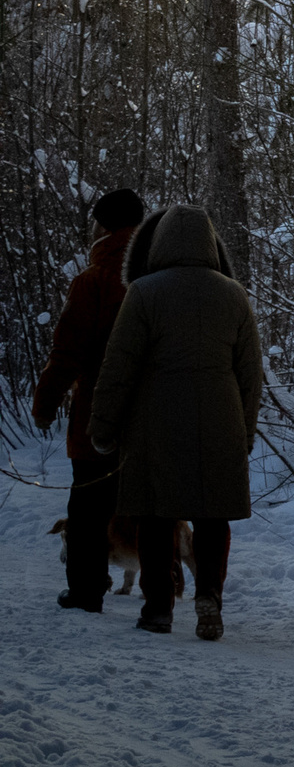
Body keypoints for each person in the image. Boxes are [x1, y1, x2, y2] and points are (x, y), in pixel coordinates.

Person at [89, 204, 261, 640]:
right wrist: (245, 430)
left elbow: (118, 366)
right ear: (211, 245)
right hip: (220, 418)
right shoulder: (234, 294)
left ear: (159, 245)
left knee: (155, 516)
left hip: (156, 421)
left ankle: (158, 609)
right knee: (212, 516)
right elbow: (249, 373)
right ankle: (209, 597)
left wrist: (103, 427)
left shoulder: (144, 292)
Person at [32, 188, 149, 612]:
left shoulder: (93, 280)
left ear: (103, 227)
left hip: (97, 414)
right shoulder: (157, 278)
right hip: (150, 416)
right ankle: (159, 596)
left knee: (88, 505)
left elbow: (68, 351)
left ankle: (86, 589)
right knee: (147, 504)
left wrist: (45, 402)